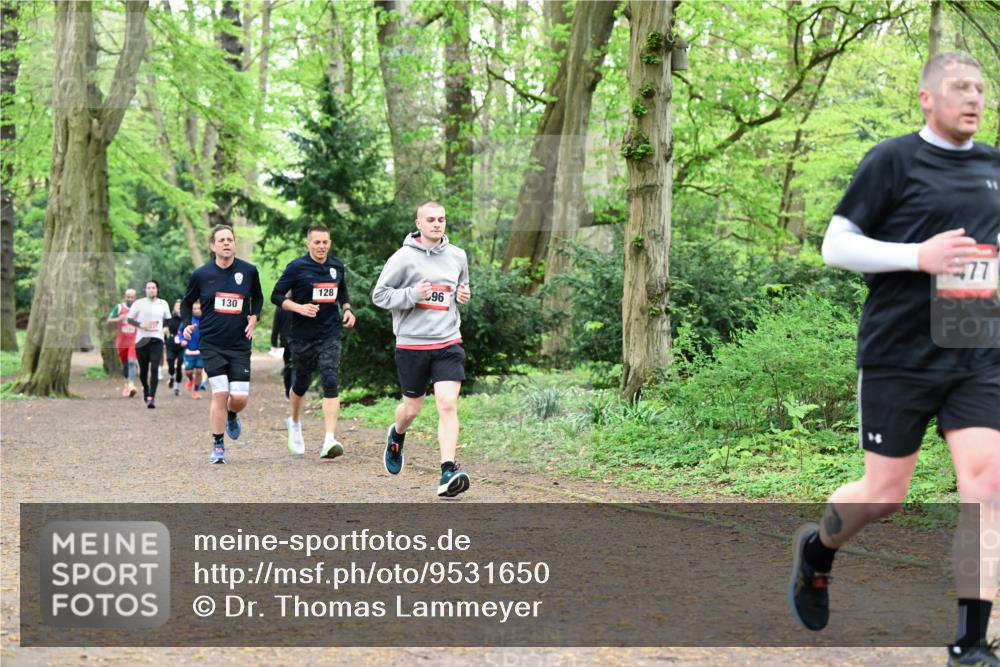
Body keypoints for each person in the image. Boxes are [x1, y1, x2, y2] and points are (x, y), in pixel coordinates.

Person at [788, 52, 999, 667]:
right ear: (927, 98)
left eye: (980, 88)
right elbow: (836, 246)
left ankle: (970, 642)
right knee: (884, 495)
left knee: (986, 486)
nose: (973, 97)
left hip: (977, 348)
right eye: (959, 87)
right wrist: (917, 257)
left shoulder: (994, 166)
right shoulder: (893, 159)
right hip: (899, 352)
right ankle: (817, 552)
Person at [372, 201, 473, 498]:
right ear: (419, 224)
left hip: (448, 340)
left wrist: (463, 295)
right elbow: (379, 295)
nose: (437, 224)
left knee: (447, 403)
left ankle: (447, 471)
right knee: (411, 409)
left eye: (441, 219)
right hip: (412, 344)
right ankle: (397, 434)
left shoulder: (457, 255)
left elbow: (461, 288)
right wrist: (413, 294)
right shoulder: (403, 258)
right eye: (431, 220)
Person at [271, 225, 356, 458]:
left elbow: (342, 290)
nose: (321, 246)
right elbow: (276, 296)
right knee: (301, 382)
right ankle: (294, 422)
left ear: (330, 243)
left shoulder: (336, 266)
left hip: (330, 333)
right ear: (308, 243)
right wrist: (299, 307)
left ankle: (329, 439)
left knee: (330, 379)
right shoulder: (297, 267)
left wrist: (347, 309)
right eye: (317, 242)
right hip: (302, 336)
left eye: (325, 242)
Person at [181, 224, 264, 464]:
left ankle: (231, 415)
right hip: (211, 344)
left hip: (239, 344)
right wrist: (187, 323)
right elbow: (186, 303)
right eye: (221, 240)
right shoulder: (201, 275)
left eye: (230, 239)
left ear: (234, 243)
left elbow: (258, 297)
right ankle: (218, 445)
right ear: (212, 246)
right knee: (220, 393)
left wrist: (254, 316)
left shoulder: (249, 271)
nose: (226, 243)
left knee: (239, 399)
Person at [126, 280, 172, 409]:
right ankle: (146, 388)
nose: (151, 290)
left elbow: (168, 319)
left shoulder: (163, 303)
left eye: (153, 287)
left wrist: (166, 327)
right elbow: (129, 319)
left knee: (155, 367)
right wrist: (141, 325)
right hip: (142, 340)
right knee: (143, 371)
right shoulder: (138, 303)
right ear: (145, 290)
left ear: (157, 290)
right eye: (149, 288)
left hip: (157, 338)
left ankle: (151, 396)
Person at [106, 288, 138, 398]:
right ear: (125, 297)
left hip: (134, 341)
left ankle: (131, 385)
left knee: (132, 362)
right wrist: (118, 319)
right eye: (128, 297)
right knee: (125, 364)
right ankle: (126, 383)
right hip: (122, 342)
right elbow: (109, 320)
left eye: (132, 297)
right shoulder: (119, 307)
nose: (130, 299)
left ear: (135, 298)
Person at [179, 300, 204, 399]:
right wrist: (182, 340)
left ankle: (196, 390)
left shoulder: (205, 320)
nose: (197, 310)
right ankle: (190, 379)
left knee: (199, 371)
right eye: (194, 309)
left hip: (200, 351)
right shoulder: (188, 321)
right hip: (189, 350)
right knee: (188, 372)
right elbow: (180, 332)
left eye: (199, 308)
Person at [270, 301, 293, 401]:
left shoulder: (281, 306)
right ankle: (292, 391)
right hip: (298, 341)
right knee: (294, 367)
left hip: (287, 341)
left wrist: (274, 342)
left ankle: (288, 392)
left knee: (288, 367)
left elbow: (276, 326)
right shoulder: (300, 304)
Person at [166, 299, 185, 396]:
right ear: (174, 307)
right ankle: (171, 376)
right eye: (177, 306)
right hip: (171, 344)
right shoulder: (169, 317)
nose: (179, 307)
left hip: (182, 345)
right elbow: (165, 329)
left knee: (179, 366)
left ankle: (177, 387)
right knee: (170, 362)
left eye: (180, 306)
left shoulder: (186, 318)